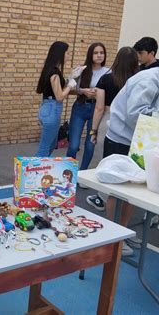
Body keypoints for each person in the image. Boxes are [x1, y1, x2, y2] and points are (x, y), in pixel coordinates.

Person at [101, 66, 159, 254]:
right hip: (122, 139)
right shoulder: (148, 80)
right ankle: (111, 238)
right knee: (118, 191)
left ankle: (121, 233)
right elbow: (135, 114)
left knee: (133, 191)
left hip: (139, 143)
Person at [86, 47, 139, 211]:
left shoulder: (107, 79)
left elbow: (99, 108)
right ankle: (124, 197)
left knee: (106, 159)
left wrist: (93, 130)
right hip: (132, 123)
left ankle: (102, 198)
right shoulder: (138, 80)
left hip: (109, 118)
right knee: (127, 160)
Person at [66, 43, 110, 171]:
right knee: (73, 145)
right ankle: (68, 173)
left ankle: (82, 173)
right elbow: (70, 89)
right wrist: (82, 91)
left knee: (90, 144)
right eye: (96, 53)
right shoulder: (82, 69)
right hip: (80, 108)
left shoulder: (108, 72)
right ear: (90, 54)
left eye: (101, 52)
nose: (99, 55)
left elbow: (110, 92)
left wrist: (99, 95)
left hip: (96, 111)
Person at [35, 41, 78, 157]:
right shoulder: (54, 73)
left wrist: (70, 79)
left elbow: (58, 91)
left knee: (52, 143)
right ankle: (32, 171)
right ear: (60, 54)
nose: (69, 56)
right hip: (51, 109)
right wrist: (70, 84)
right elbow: (59, 96)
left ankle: (39, 168)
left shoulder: (52, 70)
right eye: (68, 53)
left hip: (48, 108)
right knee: (45, 147)